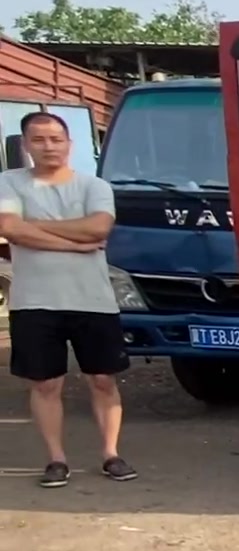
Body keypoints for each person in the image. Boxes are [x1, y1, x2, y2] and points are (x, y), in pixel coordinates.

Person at [0, 112, 136, 488]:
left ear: (69, 144)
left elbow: (98, 226)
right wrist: (76, 245)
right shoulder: (9, 183)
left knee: (103, 379)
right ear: (25, 144)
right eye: (39, 140)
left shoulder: (93, 186)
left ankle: (111, 453)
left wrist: (34, 227)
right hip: (35, 301)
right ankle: (56, 459)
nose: (49, 147)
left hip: (92, 300)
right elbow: (10, 229)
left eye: (56, 139)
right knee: (45, 384)